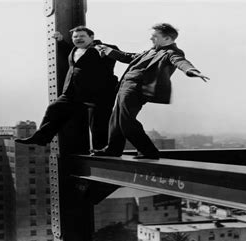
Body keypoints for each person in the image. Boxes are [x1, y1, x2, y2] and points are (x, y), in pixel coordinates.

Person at [92, 23, 209, 159]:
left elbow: (180, 61)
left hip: (136, 88)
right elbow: (128, 57)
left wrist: (191, 71)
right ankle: (113, 149)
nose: (151, 39)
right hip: (125, 86)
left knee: (126, 121)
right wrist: (108, 51)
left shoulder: (171, 52)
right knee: (116, 120)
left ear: (167, 39)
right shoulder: (151, 51)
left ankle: (148, 151)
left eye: (154, 36)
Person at [15, 26, 118, 149]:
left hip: (97, 94)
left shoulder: (102, 49)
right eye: (75, 37)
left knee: (98, 123)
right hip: (72, 92)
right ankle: (41, 138)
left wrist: (106, 50)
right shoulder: (74, 50)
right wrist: (61, 40)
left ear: (91, 37)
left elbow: (116, 55)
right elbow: (74, 57)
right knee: (54, 109)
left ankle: (101, 149)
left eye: (82, 36)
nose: (78, 39)